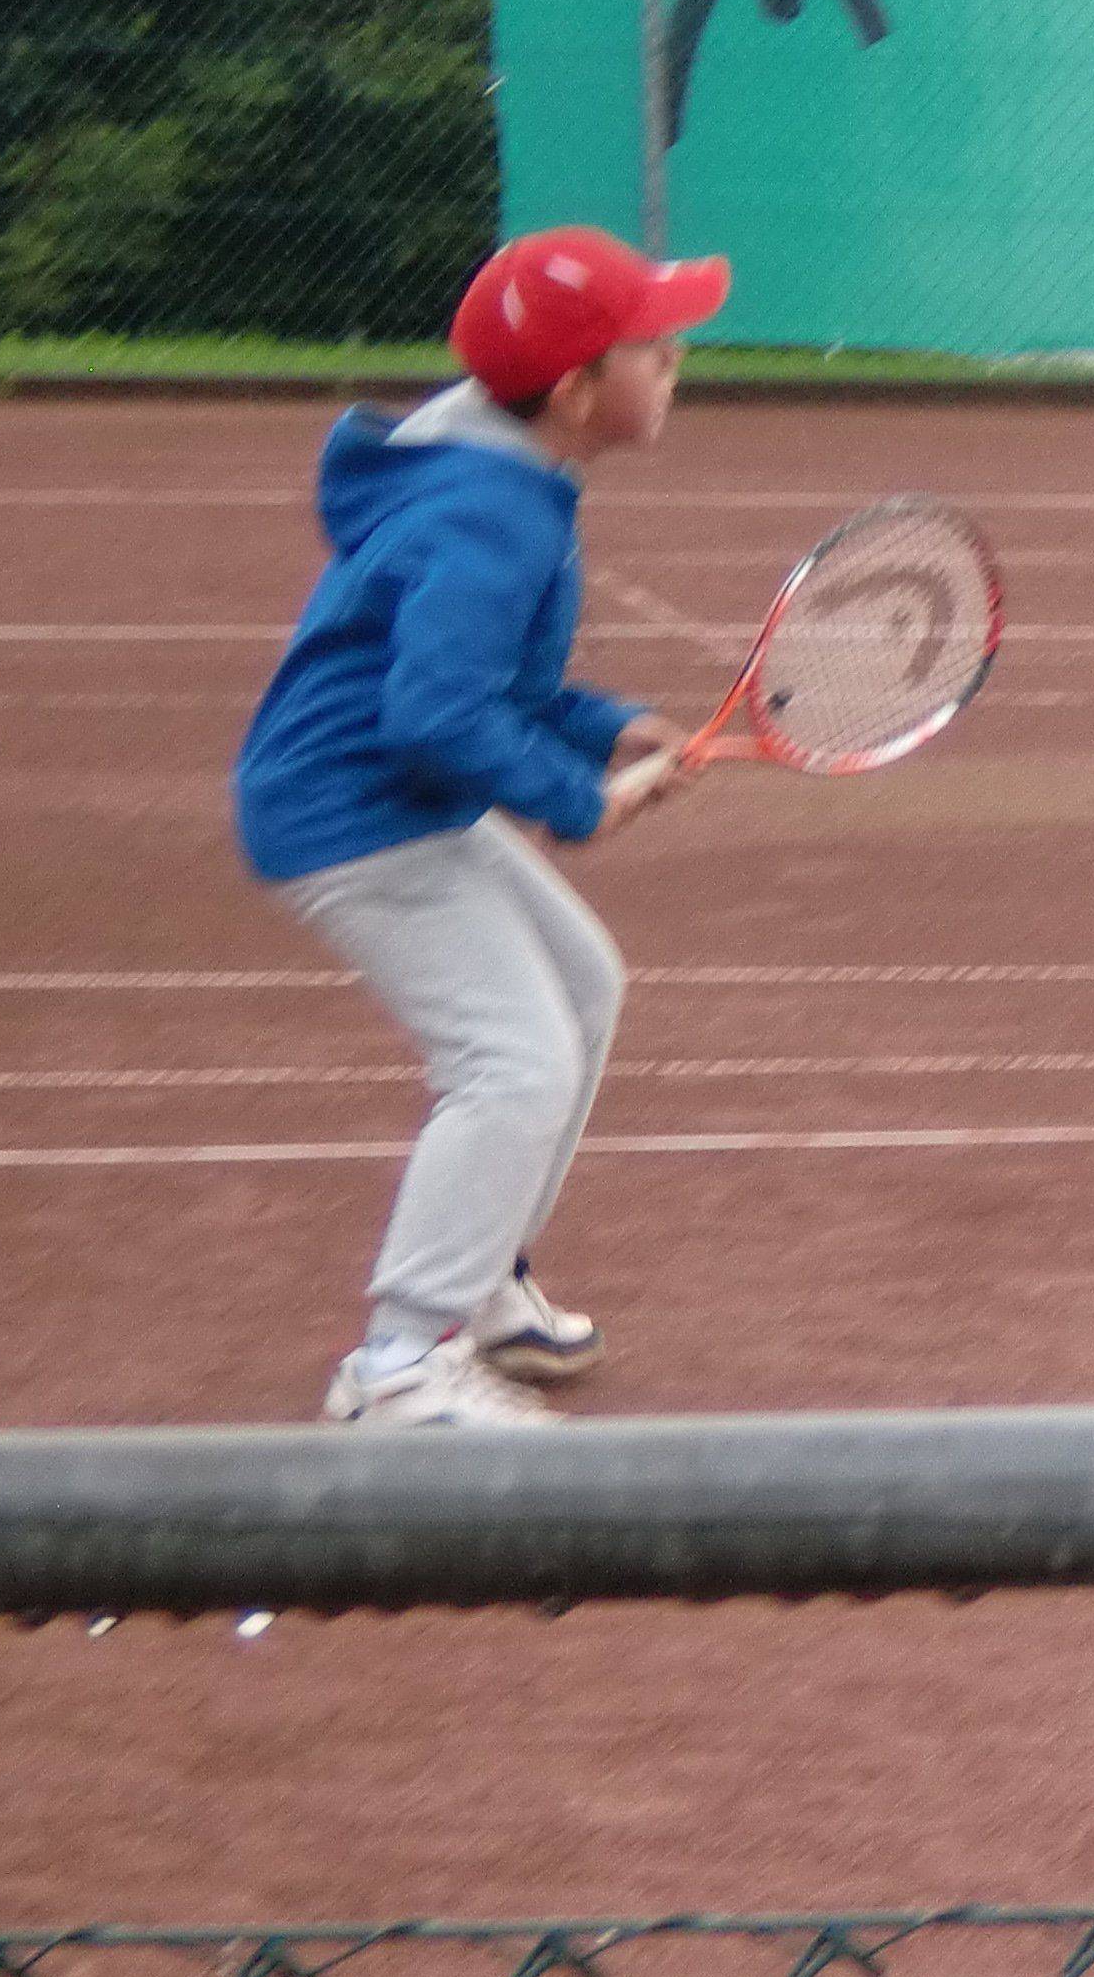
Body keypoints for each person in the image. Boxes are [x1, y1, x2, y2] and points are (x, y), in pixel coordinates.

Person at [233, 225, 729, 1426]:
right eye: (652, 348)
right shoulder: (494, 514)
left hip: (388, 794)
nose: (675, 362)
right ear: (576, 392)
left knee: (584, 985)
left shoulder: (495, 474)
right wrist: (577, 799)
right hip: (353, 815)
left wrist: (604, 728)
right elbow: (435, 715)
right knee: (514, 1062)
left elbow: (486, 682)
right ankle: (401, 1363)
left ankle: (482, 1281)